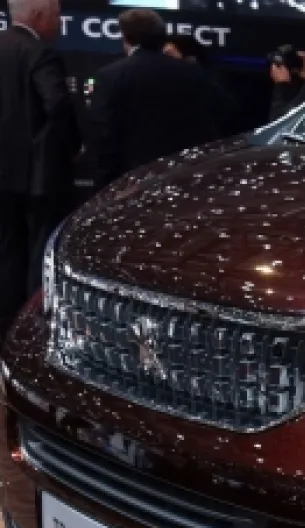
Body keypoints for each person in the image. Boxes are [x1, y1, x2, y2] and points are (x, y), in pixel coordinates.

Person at [0, 0, 81, 335]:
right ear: (38, 15)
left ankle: (6, 321)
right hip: (38, 174)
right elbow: (57, 103)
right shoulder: (39, 52)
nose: (60, 23)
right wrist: (74, 144)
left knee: (6, 247)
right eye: (57, 16)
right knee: (40, 248)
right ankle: (33, 326)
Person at [90, 9, 232, 187]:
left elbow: (104, 134)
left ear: (125, 37)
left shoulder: (111, 75)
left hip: (133, 179)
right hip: (187, 175)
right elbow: (223, 109)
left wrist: (105, 182)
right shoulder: (191, 71)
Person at [164, 34, 240, 135]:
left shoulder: (209, 80)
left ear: (190, 59)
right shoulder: (162, 81)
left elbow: (226, 107)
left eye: (169, 56)